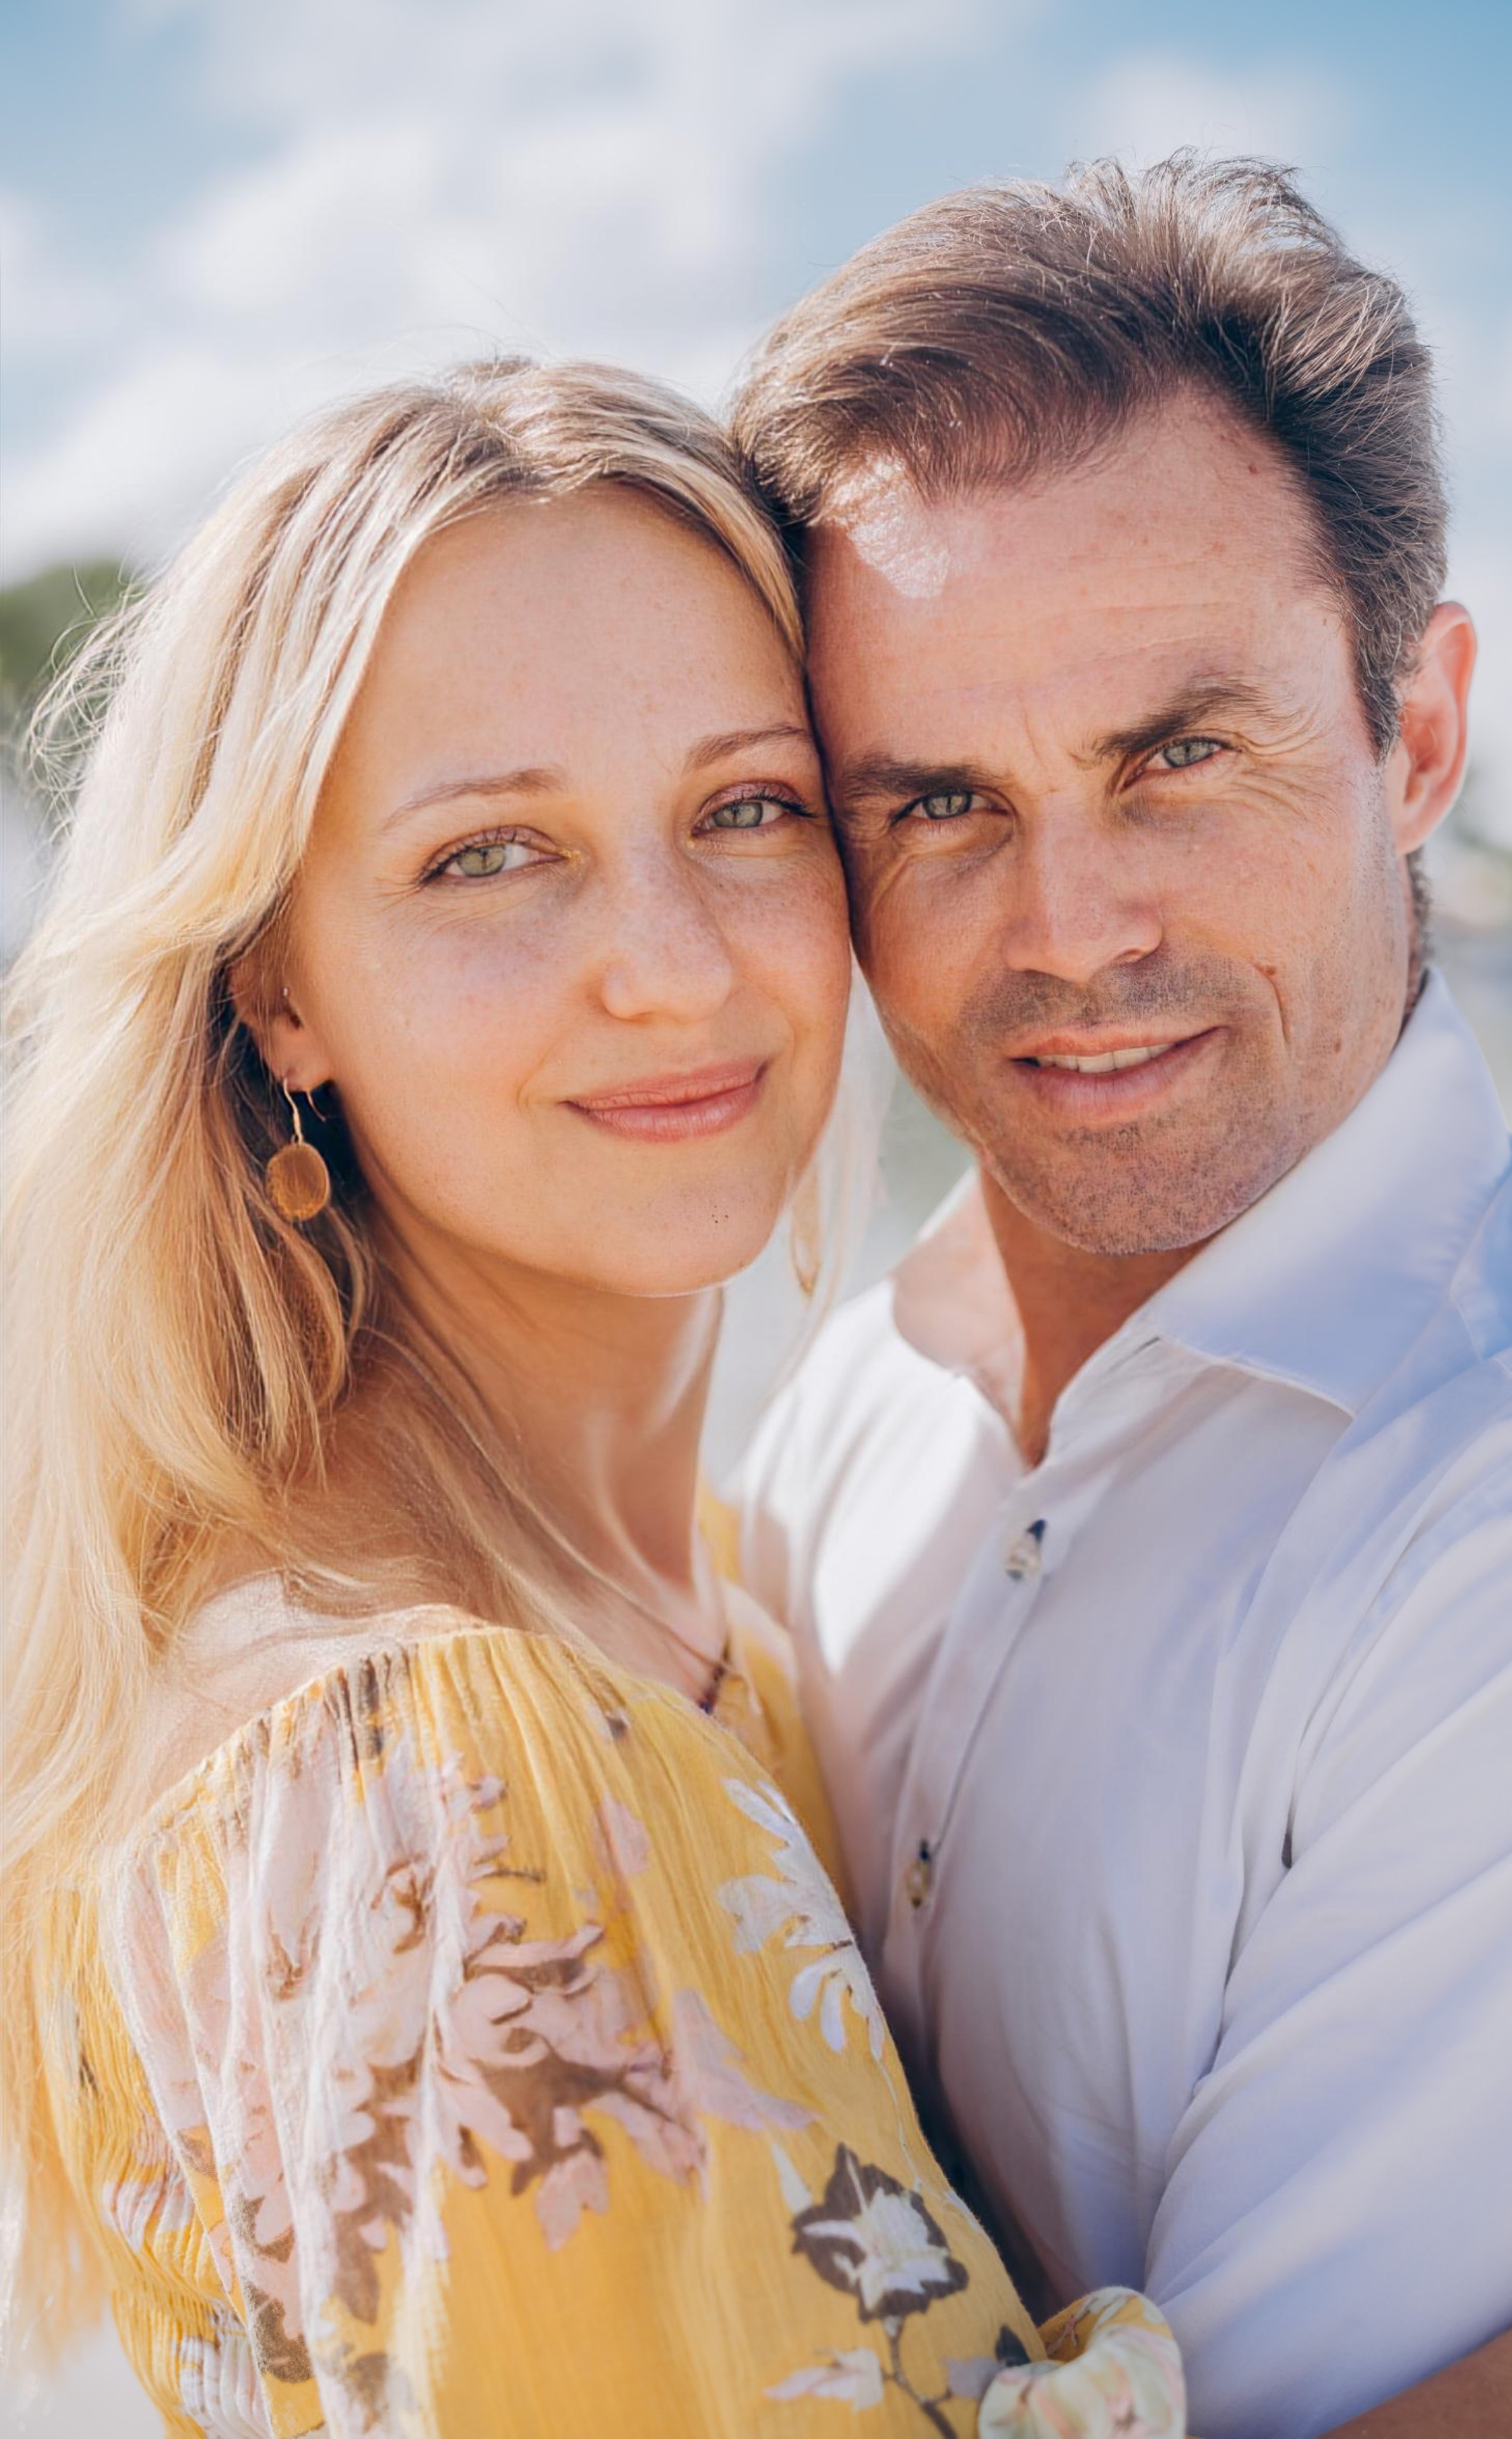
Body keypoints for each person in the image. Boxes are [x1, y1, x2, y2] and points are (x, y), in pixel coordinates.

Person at [1, 363, 1182, 2436]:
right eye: (489, 858)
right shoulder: (435, 1764)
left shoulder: (711, 1593)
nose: (673, 964)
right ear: (275, 981)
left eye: (746, 811)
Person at [729, 158, 1512, 2439]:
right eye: (935, 801)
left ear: (1415, 739)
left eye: (1179, 756)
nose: (1071, 926)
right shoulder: (850, 1400)